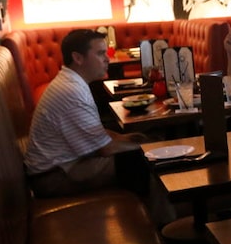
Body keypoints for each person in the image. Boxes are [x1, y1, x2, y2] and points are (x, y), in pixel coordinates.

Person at [24, 29, 146, 196]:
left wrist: (126, 138)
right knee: (139, 160)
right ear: (78, 58)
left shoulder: (72, 81)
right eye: (100, 53)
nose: (107, 59)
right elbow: (105, 149)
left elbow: (95, 133)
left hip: (61, 167)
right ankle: (161, 220)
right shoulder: (71, 91)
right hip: (53, 177)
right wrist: (147, 147)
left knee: (138, 152)